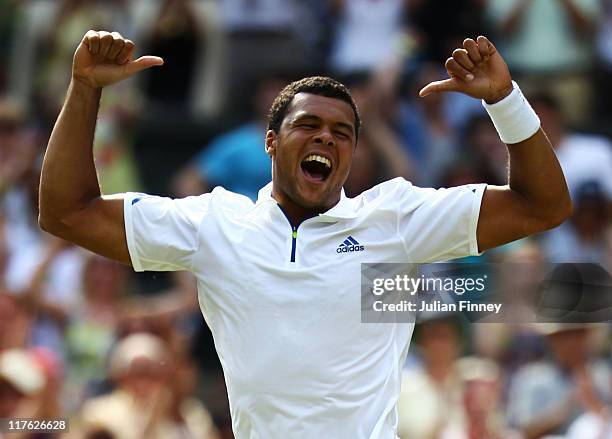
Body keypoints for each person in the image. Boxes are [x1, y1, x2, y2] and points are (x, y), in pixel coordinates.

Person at [38, 30, 571, 438]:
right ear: (270, 142)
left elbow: (542, 205)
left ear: (353, 155)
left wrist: (504, 99)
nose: (326, 138)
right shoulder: (214, 224)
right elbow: (67, 212)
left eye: (342, 133)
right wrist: (85, 88)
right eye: (307, 126)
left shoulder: (396, 219)